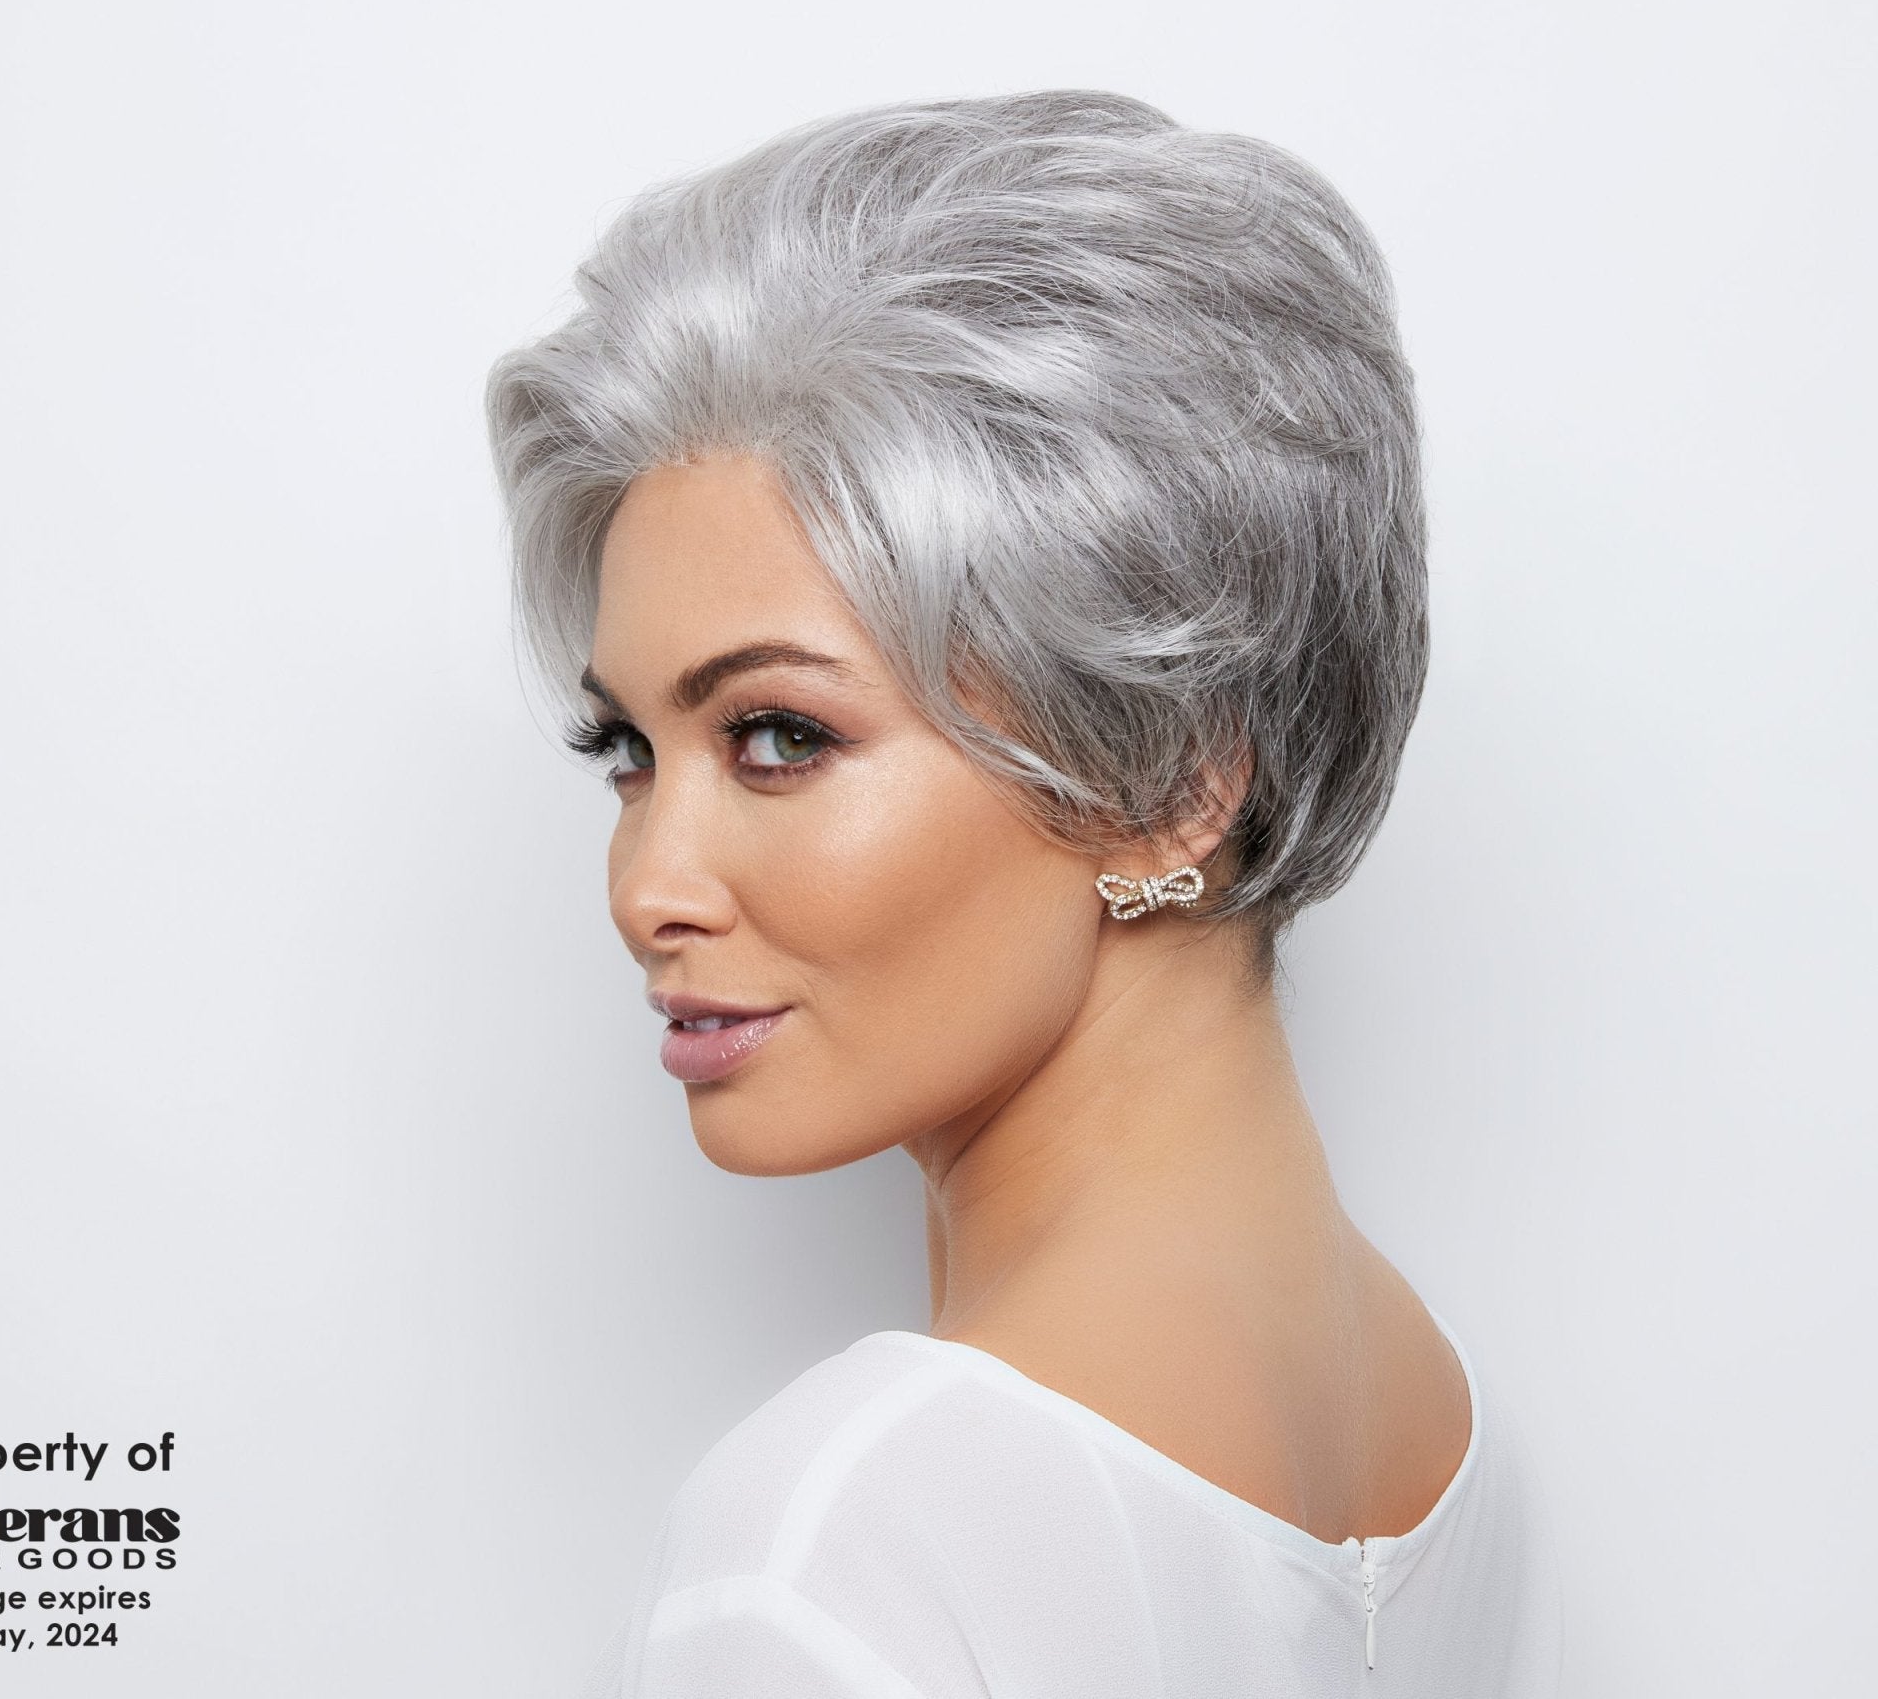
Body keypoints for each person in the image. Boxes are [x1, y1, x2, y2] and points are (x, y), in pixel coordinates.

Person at [484, 90, 1563, 1697]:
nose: (649, 885)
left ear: (1170, 777)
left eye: (779, 736)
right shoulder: (1448, 1440)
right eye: (629, 751)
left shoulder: (831, 1554)